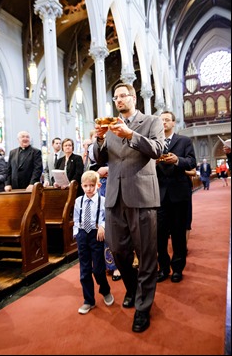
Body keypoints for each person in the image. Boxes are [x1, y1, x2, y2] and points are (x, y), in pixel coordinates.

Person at [93, 83, 164, 333]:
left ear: (134, 97)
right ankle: (133, 289)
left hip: (142, 195)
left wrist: (130, 135)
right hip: (114, 196)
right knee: (118, 249)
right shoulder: (110, 125)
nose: (119, 100)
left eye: (123, 95)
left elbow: (158, 150)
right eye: (116, 97)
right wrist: (100, 138)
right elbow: (100, 160)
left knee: (146, 254)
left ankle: (143, 308)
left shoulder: (151, 121)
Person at [156, 111, 196, 284]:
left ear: (173, 123)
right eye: (161, 120)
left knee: (179, 234)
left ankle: (177, 269)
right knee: (159, 235)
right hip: (159, 195)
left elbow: (192, 162)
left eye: (166, 120)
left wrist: (177, 160)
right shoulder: (155, 143)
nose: (163, 122)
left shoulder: (184, 141)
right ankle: (163, 268)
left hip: (178, 194)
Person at [73, 170, 114, 314]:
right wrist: (77, 234)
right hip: (83, 235)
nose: (89, 189)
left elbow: (106, 217)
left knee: (98, 269)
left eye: (92, 185)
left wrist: (102, 226)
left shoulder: (103, 200)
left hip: (96, 236)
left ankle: (105, 290)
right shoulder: (79, 201)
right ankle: (88, 300)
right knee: (84, 271)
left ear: (98, 185)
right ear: (82, 187)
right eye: (85, 186)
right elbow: (76, 219)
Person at [97, 165, 121, 282]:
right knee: (104, 222)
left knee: (117, 225)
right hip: (102, 185)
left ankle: (119, 265)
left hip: (120, 182)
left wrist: (110, 169)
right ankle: (110, 264)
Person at [185, 168, 197, 251]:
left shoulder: (186, 157)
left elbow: (193, 172)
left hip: (184, 191)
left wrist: (182, 171)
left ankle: (184, 246)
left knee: (186, 220)